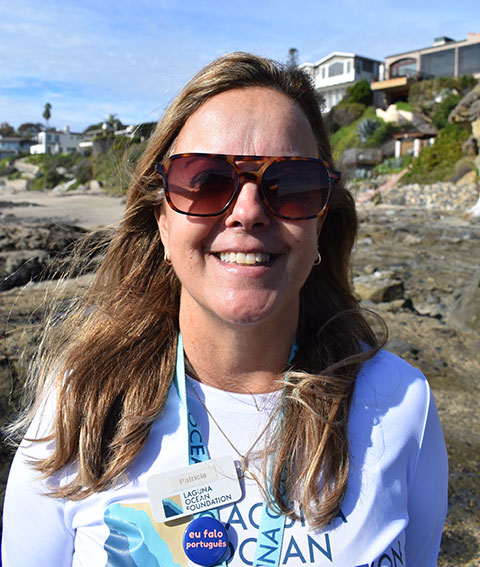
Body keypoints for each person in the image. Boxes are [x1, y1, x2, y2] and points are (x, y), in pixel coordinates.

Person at [2, 52, 448, 567]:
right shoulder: (80, 405)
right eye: (207, 180)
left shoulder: (403, 405)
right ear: (162, 220)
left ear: (321, 221)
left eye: (291, 184)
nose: (248, 211)